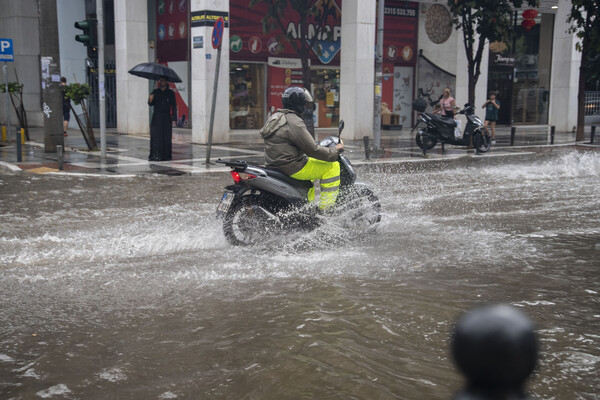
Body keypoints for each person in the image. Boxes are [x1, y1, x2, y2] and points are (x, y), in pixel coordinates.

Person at [259, 86, 344, 212]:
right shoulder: (294, 121)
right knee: (332, 167)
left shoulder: (276, 116)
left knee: (309, 173)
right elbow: (313, 150)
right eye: (304, 103)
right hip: (291, 166)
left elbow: (294, 142)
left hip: (275, 163)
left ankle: (305, 210)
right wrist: (334, 150)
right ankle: (326, 211)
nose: (305, 106)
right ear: (298, 104)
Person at [147, 77, 177, 161]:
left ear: (166, 82)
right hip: (157, 116)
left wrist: (174, 118)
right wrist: (150, 99)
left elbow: (174, 106)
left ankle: (166, 155)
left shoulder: (170, 93)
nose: (161, 82)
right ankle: (155, 155)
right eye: (160, 80)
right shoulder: (155, 92)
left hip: (166, 117)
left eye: (163, 80)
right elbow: (150, 104)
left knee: (166, 136)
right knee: (156, 136)